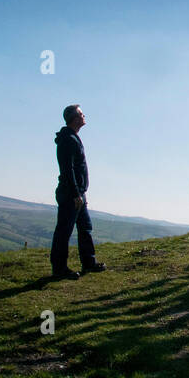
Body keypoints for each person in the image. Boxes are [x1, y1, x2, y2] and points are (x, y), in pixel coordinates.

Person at [49, 104, 107, 279]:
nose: (84, 116)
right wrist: (75, 194)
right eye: (81, 114)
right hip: (71, 194)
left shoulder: (72, 137)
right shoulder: (68, 139)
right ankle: (59, 269)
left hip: (78, 193)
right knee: (64, 231)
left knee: (85, 228)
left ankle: (89, 263)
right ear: (74, 119)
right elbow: (68, 170)